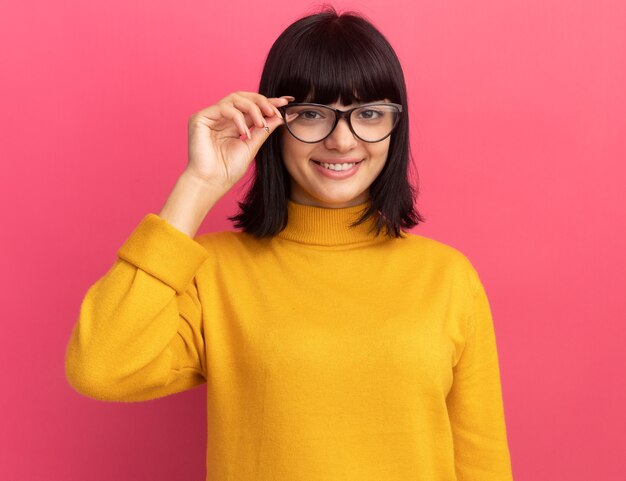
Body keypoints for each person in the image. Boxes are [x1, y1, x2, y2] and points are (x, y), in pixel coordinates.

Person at [65, 6, 514, 481]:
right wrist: (198, 183)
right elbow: (100, 367)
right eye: (313, 113)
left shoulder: (447, 277)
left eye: (368, 113)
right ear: (274, 123)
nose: (342, 141)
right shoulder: (212, 271)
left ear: (394, 126)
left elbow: (480, 460)